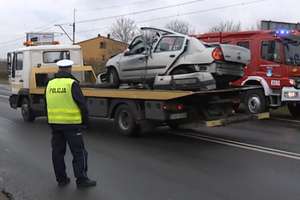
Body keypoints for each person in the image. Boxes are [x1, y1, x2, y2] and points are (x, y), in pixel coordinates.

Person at [45, 59, 96, 188]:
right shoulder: (72, 83)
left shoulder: (50, 84)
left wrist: (50, 120)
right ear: (69, 69)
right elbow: (82, 104)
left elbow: (46, 105)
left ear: (58, 69)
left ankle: (61, 179)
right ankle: (81, 180)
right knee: (79, 152)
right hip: (72, 125)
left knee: (57, 152)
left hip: (55, 124)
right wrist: (86, 122)